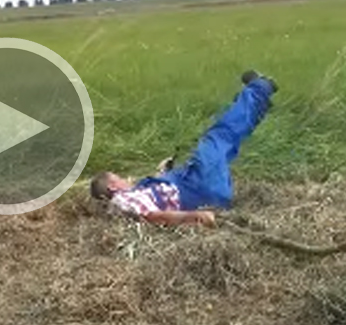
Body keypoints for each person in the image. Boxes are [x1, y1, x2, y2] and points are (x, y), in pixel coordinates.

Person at [89, 70, 278, 226]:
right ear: (113, 186)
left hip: (197, 185)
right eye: (119, 178)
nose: (124, 179)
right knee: (219, 135)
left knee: (225, 142)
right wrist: (194, 217)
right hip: (200, 187)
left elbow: (155, 200)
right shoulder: (123, 200)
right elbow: (153, 216)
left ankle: (253, 106)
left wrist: (162, 172)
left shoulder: (132, 195)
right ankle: (260, 89)